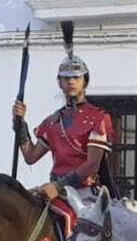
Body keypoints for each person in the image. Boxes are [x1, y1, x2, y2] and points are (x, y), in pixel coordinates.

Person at [13, 20, 116, 204]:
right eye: (66, 78)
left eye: (76, 77)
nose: (71, 82)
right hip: (53, 189)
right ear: (59, 82)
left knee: (81, 230)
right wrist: (20, 123)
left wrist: (60, 186)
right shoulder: (52, 121)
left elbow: (92, 164)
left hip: (84, 193)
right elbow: (30, 156)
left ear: (85, 81)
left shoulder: (98, 118)